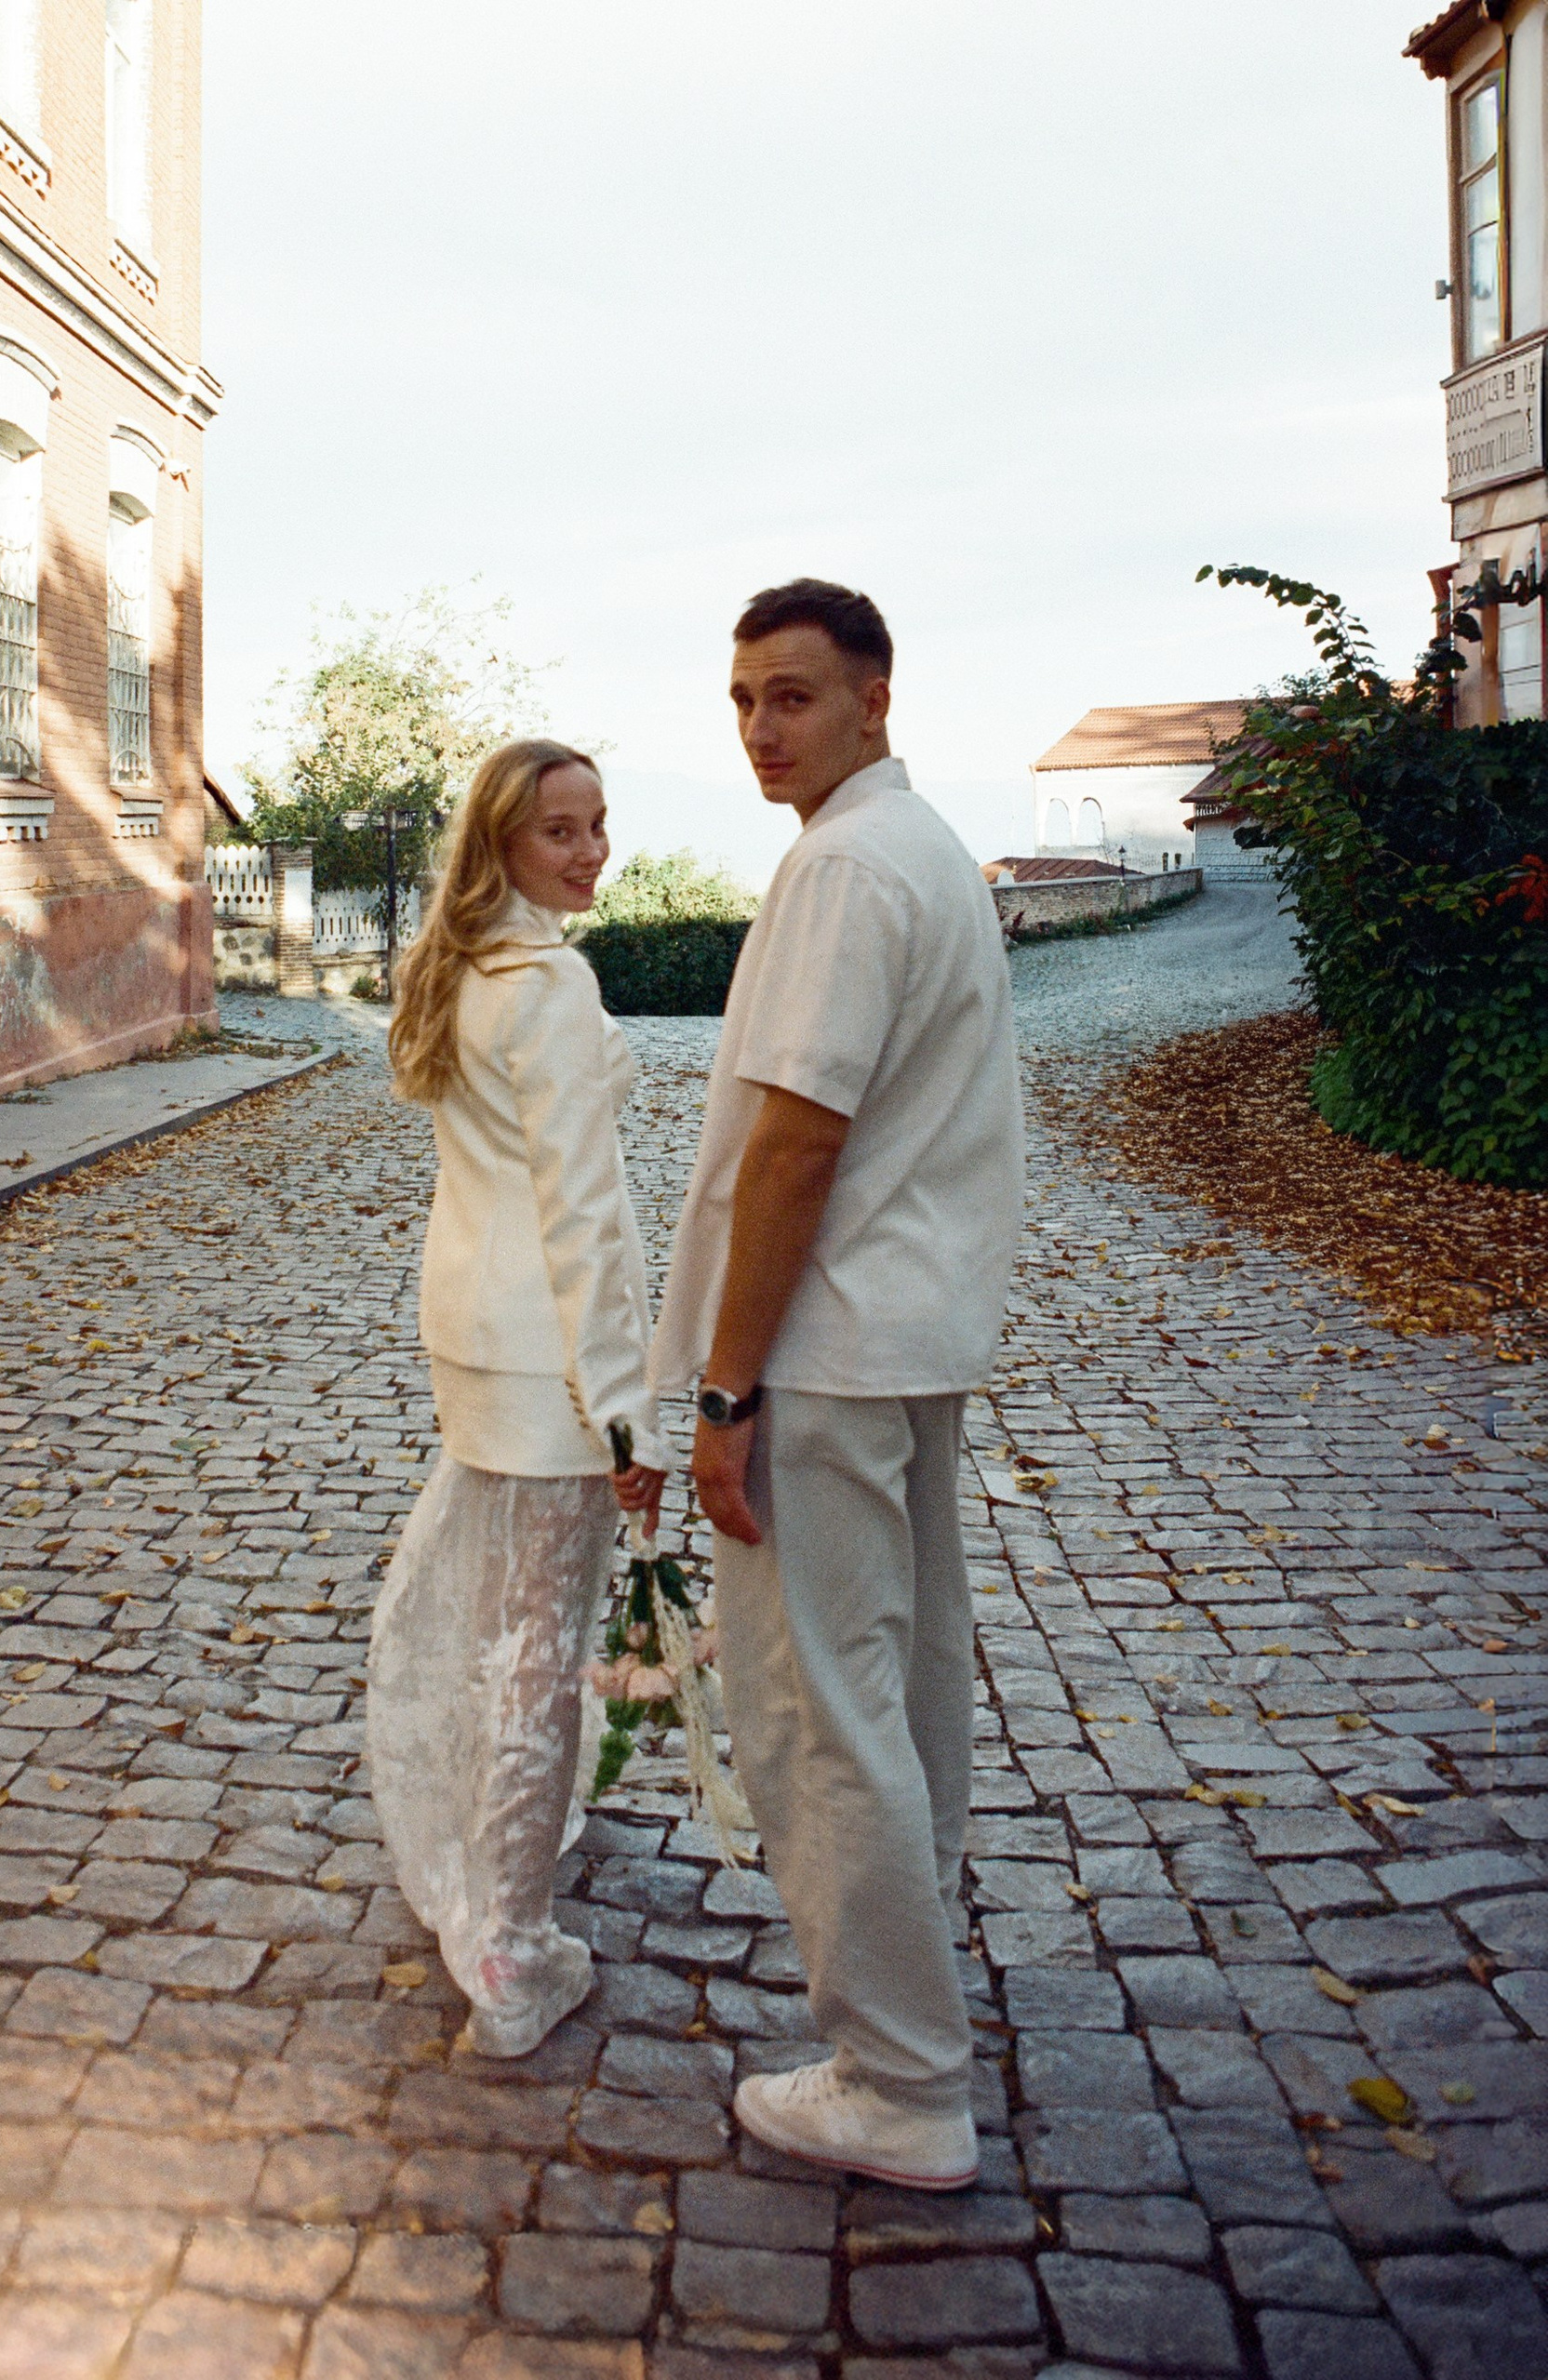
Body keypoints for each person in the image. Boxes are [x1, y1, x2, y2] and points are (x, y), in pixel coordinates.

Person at [651, 578, 1023, 2187]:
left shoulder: (851, 868)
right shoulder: (919, 847)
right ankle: (913, 1979)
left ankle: (900, 2080)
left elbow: (796, 1144)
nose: (759, 728)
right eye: (742, 699)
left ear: (875, 699)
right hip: (906, 1340)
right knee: (905, 1681)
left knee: (821, 1708)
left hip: (829, 1351)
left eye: (791, 697)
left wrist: (724, 1392)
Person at [367, 738, 671, 2059]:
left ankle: (501, 1889)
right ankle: (511, 1949)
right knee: (539, 1650)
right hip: (550, 1360)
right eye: (560, 831)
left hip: (474, 1336)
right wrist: (627, 1412)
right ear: (502, 844)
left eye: (599, 824)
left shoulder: (463, 967)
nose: (592, 851)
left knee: (513, 1628)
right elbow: (582, 1218)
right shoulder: (545, 985)